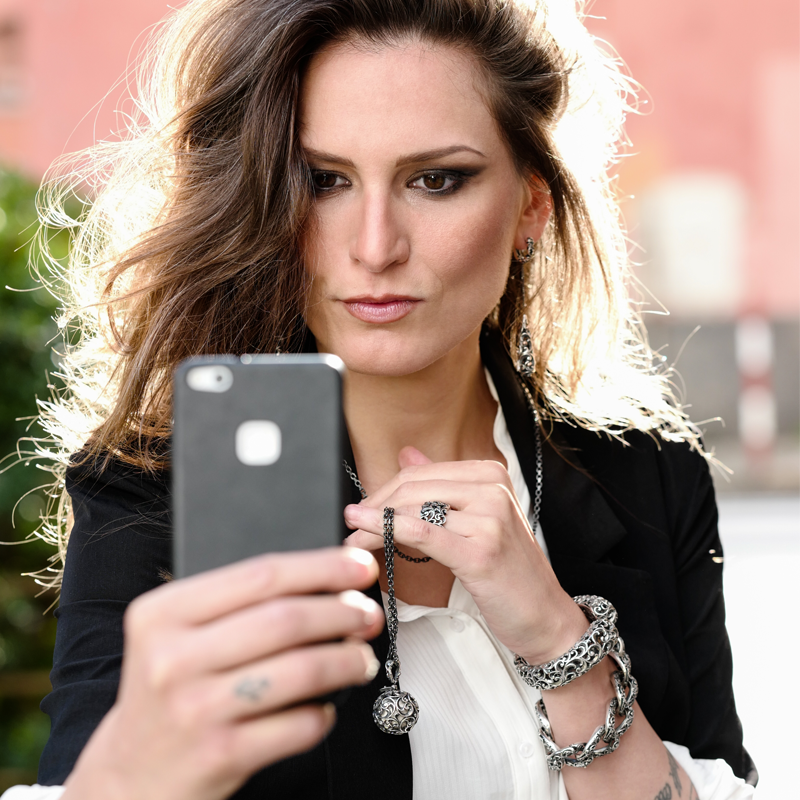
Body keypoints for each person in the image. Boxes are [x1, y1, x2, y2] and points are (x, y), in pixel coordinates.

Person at [2, 1, 757, 799]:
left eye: (436, 180)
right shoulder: (154, 496)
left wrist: (556, 637)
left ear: (531, 204)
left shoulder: (649, 476)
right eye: (323, 181)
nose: (375, 246)